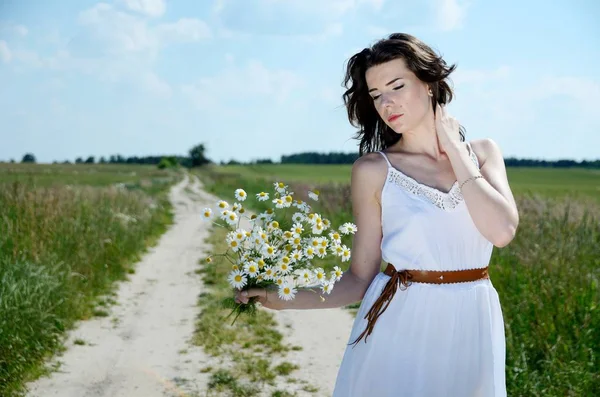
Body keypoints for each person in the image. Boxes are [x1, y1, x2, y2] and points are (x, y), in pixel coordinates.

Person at [236, 33, 519, 396]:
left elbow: (502, 231)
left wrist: (456, 153)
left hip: (474, 320)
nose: (387, 103)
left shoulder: (482, 154)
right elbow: (358, 278)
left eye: (396, 86)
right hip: (403, 322)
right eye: (376, 95)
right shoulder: (374, 170)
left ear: (429, 84)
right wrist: (283, 297)